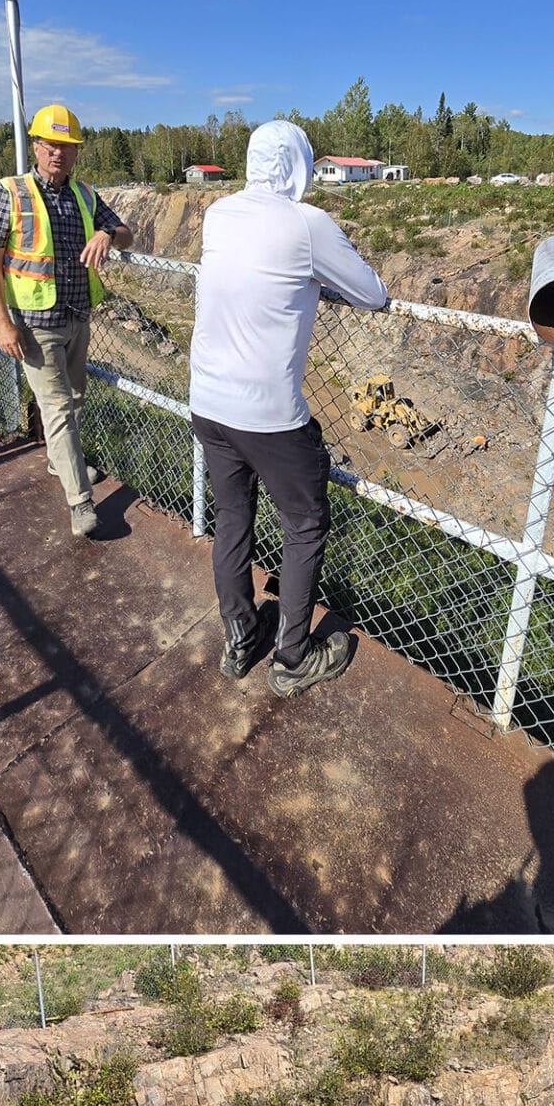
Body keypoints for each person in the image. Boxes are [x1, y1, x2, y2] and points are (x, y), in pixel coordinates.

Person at [187, 120, 389, 695]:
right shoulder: (307, 224)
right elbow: (371, 293)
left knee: (232, 518)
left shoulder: (219, 214)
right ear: (300, 167)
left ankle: (241, 636)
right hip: (267, 414)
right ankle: (293, 656)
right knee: (305, 523)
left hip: (208, 401)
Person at [0, 103, 134, 534]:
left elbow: (126, 234)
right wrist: (1, 322)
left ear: (76, 151)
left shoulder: (84, 194)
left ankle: (57, 461)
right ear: (36, 145)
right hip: (34, 323)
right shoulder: (7, 192)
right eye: (50, 144)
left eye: (66, 146)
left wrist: (107, 232)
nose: (58, 154)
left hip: (78, 316)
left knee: (75, 399)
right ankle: (80, 502)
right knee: (59, 407)